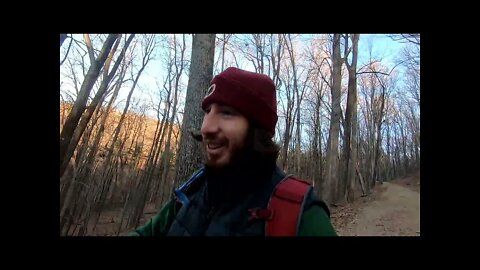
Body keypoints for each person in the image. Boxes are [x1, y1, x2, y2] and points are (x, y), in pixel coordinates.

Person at [129, 67, 337, 236]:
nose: (206, 128)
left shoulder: (299, 214)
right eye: (208, 112)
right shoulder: (193, 191)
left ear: (257, 130)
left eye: (227, 114)